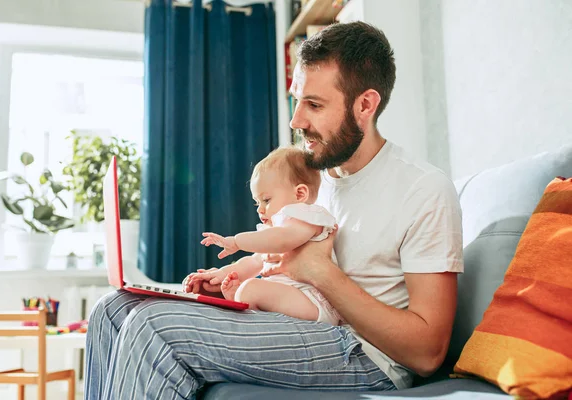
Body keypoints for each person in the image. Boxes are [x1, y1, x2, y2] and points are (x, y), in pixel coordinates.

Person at [84, 21, 463, 399]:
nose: (296, 120)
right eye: (297, 99)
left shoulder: (423, 189)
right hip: (297, 320)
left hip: (364, 355)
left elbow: (427, 353)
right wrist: (225, 278)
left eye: (314, 105)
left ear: (365, 104)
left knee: (155, 327)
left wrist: (320, 272)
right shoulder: (310, 180)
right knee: (113, 309)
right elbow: (274, 259)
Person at [186, 146, 343, 325]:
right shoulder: (274, 231)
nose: (260, 209)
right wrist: (221, 274)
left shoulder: (309, 217)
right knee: (246, 288)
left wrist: (237, 241)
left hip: (315, 303)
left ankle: (241, 304)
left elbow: (283, 239)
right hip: (292, 299)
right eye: (256, 203)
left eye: (266, 200)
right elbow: (254, 262)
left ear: (300, 193)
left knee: (251, 289)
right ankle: (239, 302)